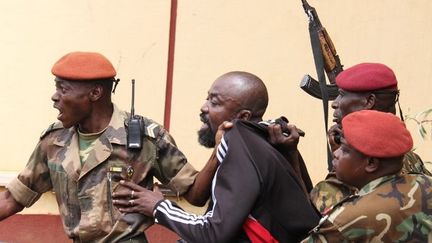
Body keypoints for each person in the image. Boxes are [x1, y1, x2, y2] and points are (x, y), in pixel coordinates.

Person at [0, 51, 218, 242]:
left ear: (95, 93)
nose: (54, 97)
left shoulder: (145, 138)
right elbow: (13, 198)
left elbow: (195, 194)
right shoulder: (55, 140)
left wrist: (218, 151)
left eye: (63, 89)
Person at [112, 71, 321, 242]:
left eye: (215, 102)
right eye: (207, 98)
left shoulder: (240, 143)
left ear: (243, 117)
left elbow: (214, 233)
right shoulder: (271, 139)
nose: (204, 108)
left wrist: (158, 206)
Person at [310, 62, 432, 214]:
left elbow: (309, 221)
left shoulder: (342, 179)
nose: (335, 104)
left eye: (341, 95)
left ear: (369, 102)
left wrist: (343, 161)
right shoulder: (410, 159)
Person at [302, 110, 432, 242]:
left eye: (345, 150)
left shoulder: (345, 220)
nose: (336, 153)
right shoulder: (426, 183)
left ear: (371, 163)